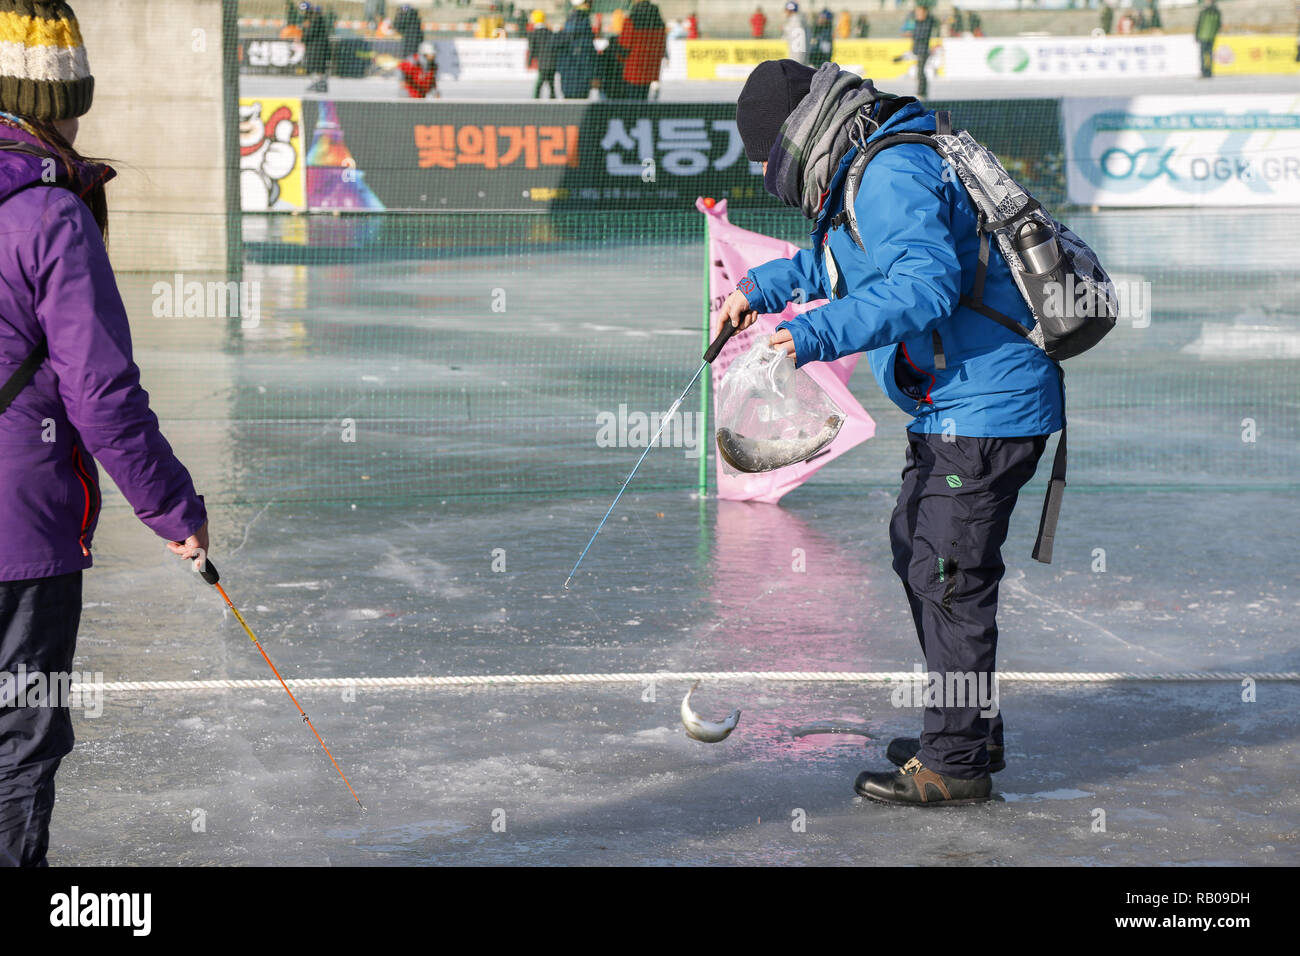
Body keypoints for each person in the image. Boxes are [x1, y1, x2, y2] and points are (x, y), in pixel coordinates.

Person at [722, 59, 1061, 807]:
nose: (768, 177)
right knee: (921, 546)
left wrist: (810, 336)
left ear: (792, 140)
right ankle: (966, 728)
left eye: (765, 161)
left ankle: (959, 761)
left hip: (987, 406)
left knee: (948, 576)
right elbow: (849, 263)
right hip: (960, 403)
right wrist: (763, 289)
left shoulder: (888, 170)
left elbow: (924, 284)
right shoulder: (869, 163)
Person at [0, 0, 209, 866]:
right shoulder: (48, 217)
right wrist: (173, 509)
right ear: (65, 101)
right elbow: (102, 392)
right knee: (19, 733)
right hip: (21, 533)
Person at [616, 1, 668, 101]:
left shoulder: (631, 21)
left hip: (633, 69)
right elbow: (662, 46)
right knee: (643, 101)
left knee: (631, 102)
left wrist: (620, 59)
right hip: (651, 68)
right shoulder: (659, 22)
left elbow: (624, 45)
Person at [558, 0, 597, 99]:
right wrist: (594, 74)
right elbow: (589, 54)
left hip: (568, 79)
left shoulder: (569, 23)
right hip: (581, 79)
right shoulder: (584, 24)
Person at [303, 4, 333, 92]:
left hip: (317, 49)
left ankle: (320, 84)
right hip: (320, 49)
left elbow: (311, 33)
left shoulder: (317, 20)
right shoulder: (319, 20)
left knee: (317, 68)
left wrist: (302, 38)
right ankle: (320, 84)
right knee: (319, 68)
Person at [908, 3, 935, 97]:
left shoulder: (928, 22)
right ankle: (921, 91)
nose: (918, 14)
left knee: (920, 71)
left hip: (924, 50)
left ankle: (922, 91)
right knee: (920, 71)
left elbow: (922, 36)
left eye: (920, 12)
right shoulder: (917, 23)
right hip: (918, 50)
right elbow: (915, 36)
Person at [529, 23, 560, 98]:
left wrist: (530, 60)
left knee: (539, 84)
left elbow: (533, 49)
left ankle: (535, 98)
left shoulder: (535, 34)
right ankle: (553, 98)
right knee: (551, 83)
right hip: (552, 63)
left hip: (543, 63)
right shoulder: (551, 33)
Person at [1195, 0, 1221, 77]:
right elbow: (1219, 25)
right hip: (1211, 36)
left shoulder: (1204, 12)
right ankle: (1209, 72)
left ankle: (1204, 72)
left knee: (1203, 55)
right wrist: (1214, 33)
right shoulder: (1217, 12)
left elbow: (1199, 24)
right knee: (1209, 54)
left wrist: (1196, 35)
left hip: (1203, 36)